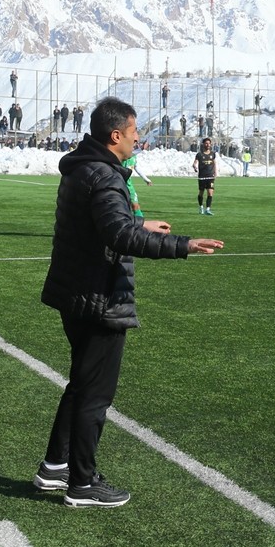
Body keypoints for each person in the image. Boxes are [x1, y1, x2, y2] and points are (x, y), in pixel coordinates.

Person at [33, 97, 222, 508]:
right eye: (134, 131)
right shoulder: (103, 175)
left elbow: (104, 223)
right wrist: (181, 245)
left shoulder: (85, 167)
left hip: (76, 292)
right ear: (115, 135)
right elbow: (119, 237)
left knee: (81, 384)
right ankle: (82, 483)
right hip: (98, 296)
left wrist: (138, 222)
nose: (139, 138)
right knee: (95, 394)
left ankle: (55, 466)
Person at [124, 150, 152, 217]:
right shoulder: (122, 156)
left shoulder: (134, 157)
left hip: (129, 186)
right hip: (118, 184)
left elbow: (137, 168)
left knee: (135, 206)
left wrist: (146, 179)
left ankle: (140, 225)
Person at [193, 137, 217, 215]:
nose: (208, 145)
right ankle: (201, 207)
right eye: (206, 143)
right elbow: (195, 162)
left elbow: (214, 163)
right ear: (203, 144)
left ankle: (208, 209)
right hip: (202, 177)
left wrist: (215, 172)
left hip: (210, 176)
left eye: (209, 143)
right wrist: (195, 166)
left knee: (210, 192)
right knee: (201, 193)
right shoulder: (199, 154)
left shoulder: (213, 154)